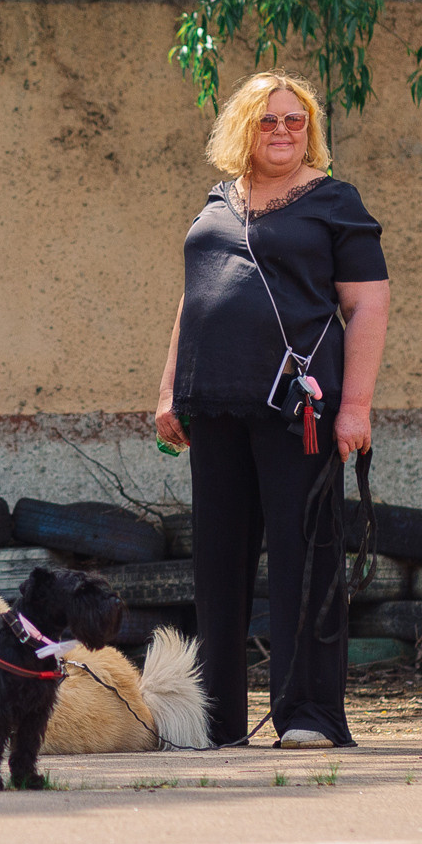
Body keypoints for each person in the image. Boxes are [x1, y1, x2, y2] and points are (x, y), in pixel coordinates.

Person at [154, 72, 390, 750]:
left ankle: (309, 713)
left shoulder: (335, 202)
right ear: (242, 129)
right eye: (267, 120)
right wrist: (171, 387)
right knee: (216, 567)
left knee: (306, 558)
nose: (283, 130)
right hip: (216, 406)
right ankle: (216, 719)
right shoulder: (218, 200)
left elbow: (368, 303)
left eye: (295, 119)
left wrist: (357, 406)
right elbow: (191, 296)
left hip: (300, 409)